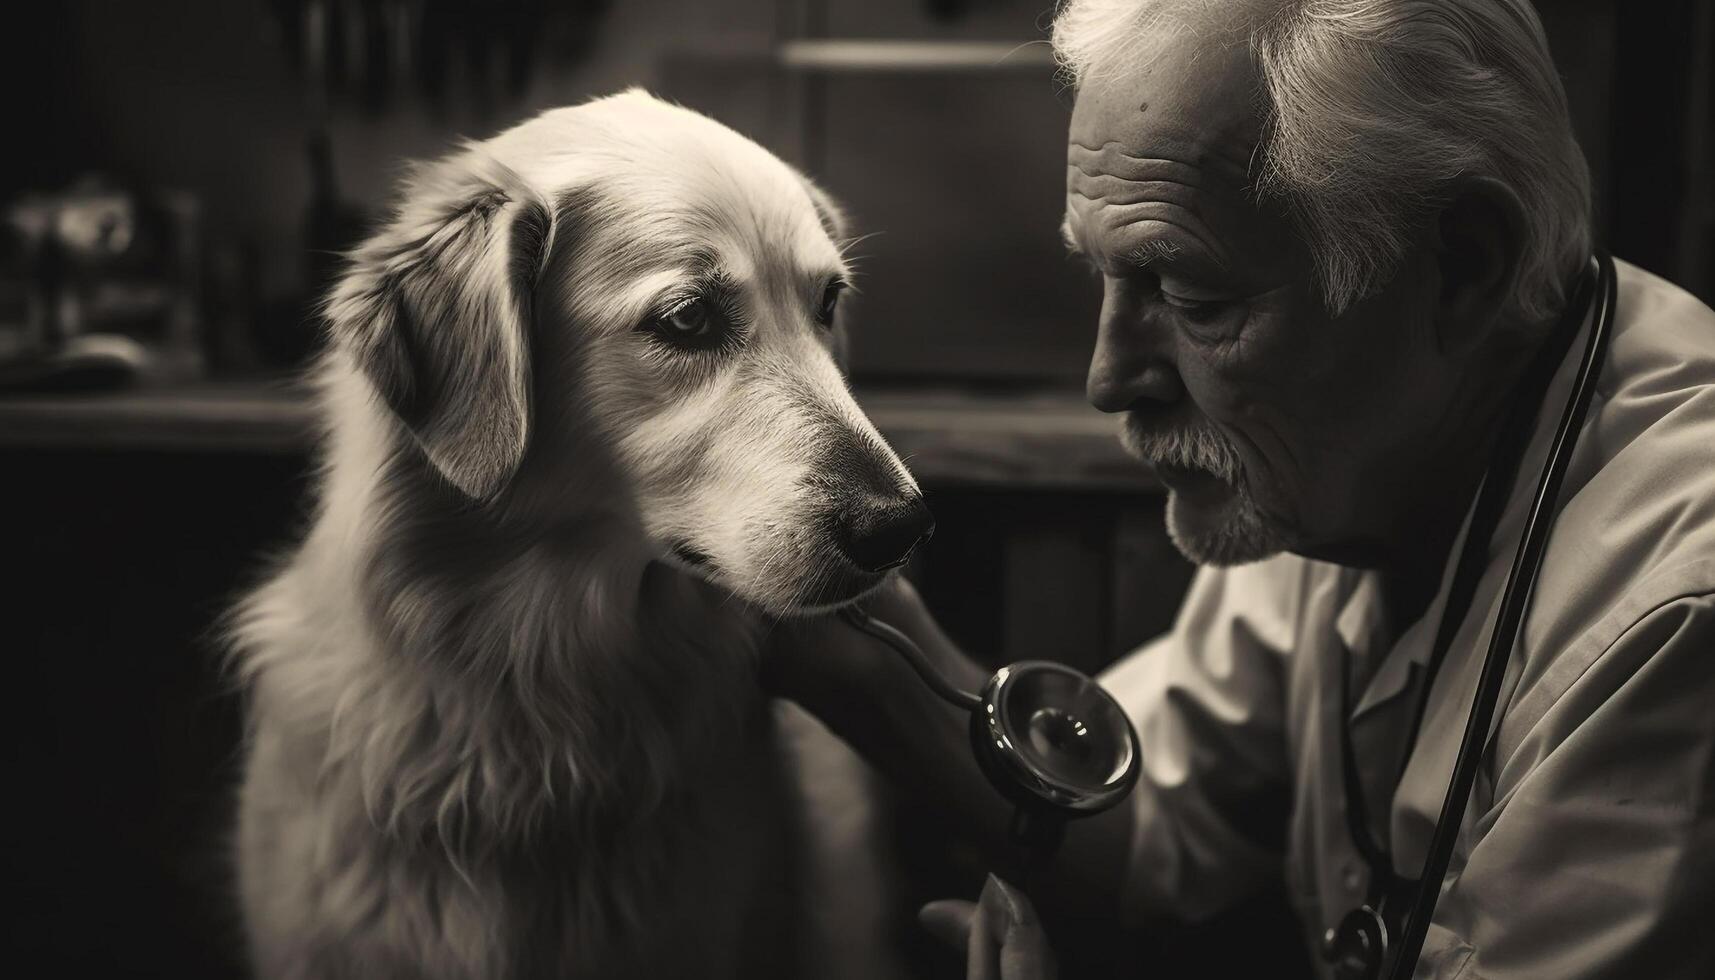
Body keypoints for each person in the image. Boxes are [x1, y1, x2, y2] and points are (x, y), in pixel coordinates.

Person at [764, 1, 1715, 977]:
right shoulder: (1349, 456)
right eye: (1099, 277)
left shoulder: (1676, 614)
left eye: (1191, 298)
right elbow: (1152, 834)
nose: (1108, 377)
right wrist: (865, 658)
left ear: (1464, 262)